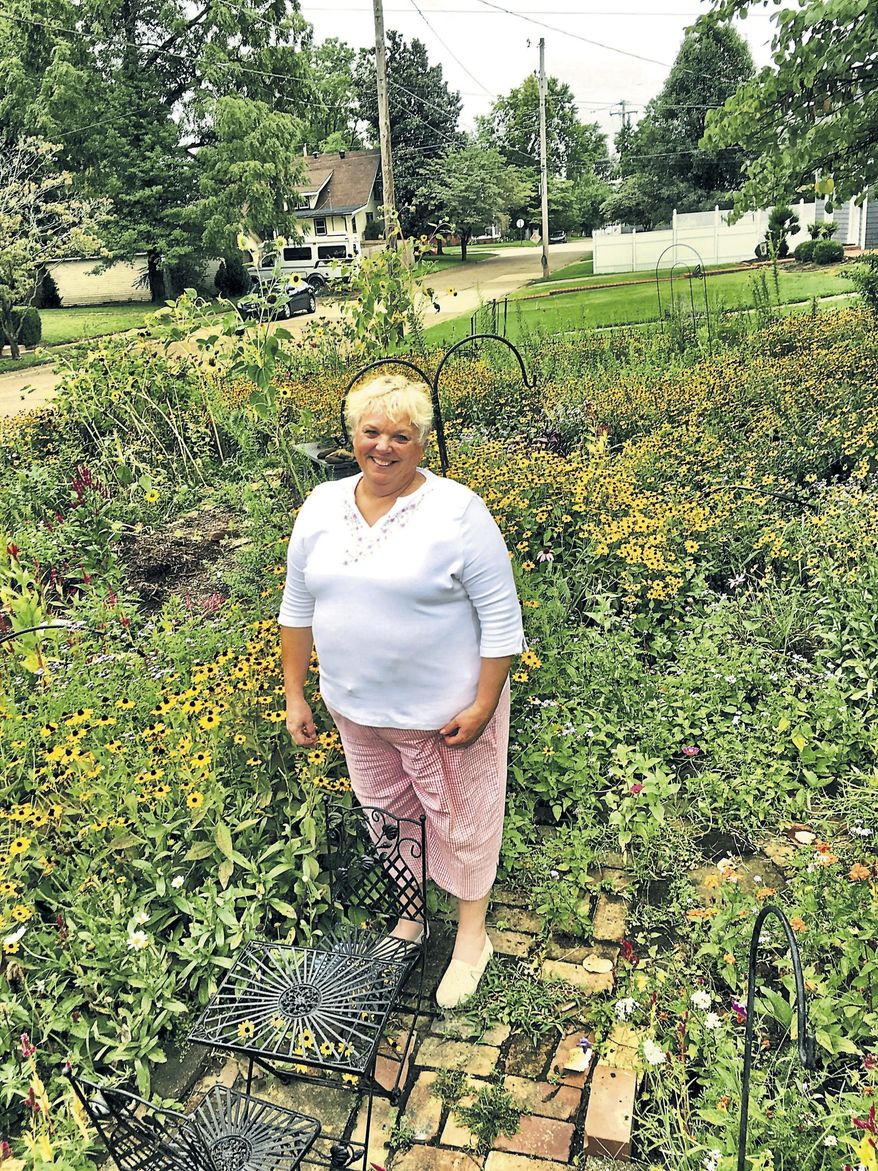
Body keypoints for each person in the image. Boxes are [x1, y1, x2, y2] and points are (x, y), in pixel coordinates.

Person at [279, 373, 524, 1010]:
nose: (383, 446)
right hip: (356, 709)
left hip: (445, 717)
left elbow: (502, 622)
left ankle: (472, 938)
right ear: (351, 434)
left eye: (401, 435)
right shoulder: (321, 506)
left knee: (462, 822)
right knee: (388, 816)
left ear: (421, 443)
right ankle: (411, 920)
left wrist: (483, 703)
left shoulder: (456, 512)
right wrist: (297, 693)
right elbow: (298, 606)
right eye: (371, 432)